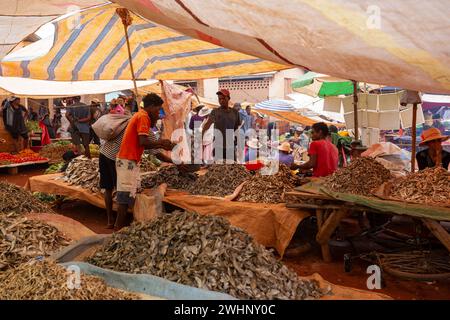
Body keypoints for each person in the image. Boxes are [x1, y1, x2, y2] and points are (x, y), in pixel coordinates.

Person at [114, 93, 174, 230]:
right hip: (127, 160)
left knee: (129, 193)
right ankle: (118, 229)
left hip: (130, 160)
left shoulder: (142, 116)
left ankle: (126, 226)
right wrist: (161, 143)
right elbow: (143, 142)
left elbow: (146, 144)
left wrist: (161, 145)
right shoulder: (143, 117)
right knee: (124, 197)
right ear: (151, 107)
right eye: (158, 109)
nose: (158, 113)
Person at [202, 89, 241, 163]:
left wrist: (238, 143)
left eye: (223, 98)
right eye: (219, 99)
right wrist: (200, 139)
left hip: (230, 146)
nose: (221, 101)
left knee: (232, 169)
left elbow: (236, 129)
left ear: (228, 98)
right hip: (218, 146)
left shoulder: (235, 113)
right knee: (218, 169)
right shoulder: (215, 112)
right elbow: (207, 125)